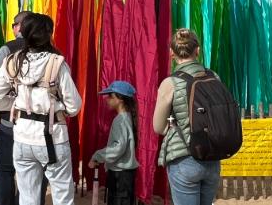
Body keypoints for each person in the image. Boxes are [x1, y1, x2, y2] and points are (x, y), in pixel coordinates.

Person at [0, 13, 82, 205]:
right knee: (63, 198)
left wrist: (16, 105)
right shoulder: (57, 63)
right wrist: (55, 106)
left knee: (28, 199)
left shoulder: (13, 61)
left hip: (22, 138)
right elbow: (74, 106)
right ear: (48, 35)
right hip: (53, 138)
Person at [153, 28, 220, 205]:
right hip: (212, 158)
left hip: (184, 158)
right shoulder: (214, 77)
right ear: (197, 50)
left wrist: (175, 125)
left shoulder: (170, 83)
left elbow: (158, 127)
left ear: (171, 53)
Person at [0, 11, 39, 205]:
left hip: (11, 121)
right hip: (39, 125)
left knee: (6, 170)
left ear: (18, 27)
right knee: (34, 173)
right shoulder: (49, 50)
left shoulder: (8, 49)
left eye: (14, 25)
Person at [88, 81, 139, 205]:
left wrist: (97, 156)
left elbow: (118, 147)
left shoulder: (120, 120)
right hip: (125, 175)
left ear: (120, 99)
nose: (107, 99)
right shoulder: (127, 117)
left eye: (111, 96)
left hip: (120, 176)